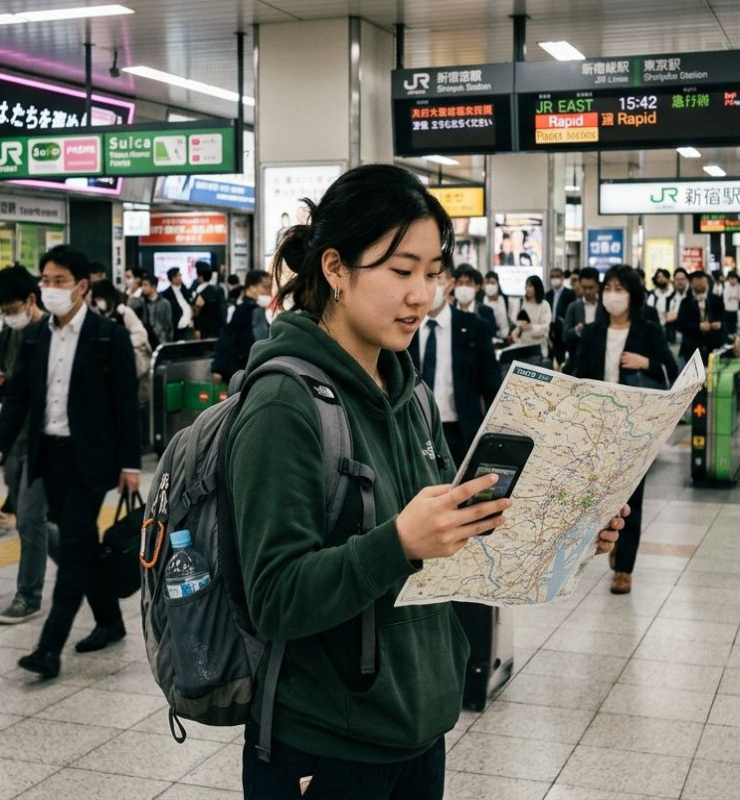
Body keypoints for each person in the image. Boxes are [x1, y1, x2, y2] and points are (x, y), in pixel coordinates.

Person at [226, 164, 625, 797]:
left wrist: (568, 531)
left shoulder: (406, 392)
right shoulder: (284, 405)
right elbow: (274, 596)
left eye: (433, 271)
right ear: (334, 269)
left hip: (420, 724)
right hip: (324, 743)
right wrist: (399, 542)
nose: (423, 293)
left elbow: (456, 537)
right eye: (400, 270)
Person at [0, 245, 141, 679]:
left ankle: (48, 649)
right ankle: (109, 620)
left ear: (82, 287)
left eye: (59, 281)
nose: (49, 289)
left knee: (72, 548)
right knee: (82, 545)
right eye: (45, 281)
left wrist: (131, 463)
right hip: (47, 455)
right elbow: (17, 399)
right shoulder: (35, 337)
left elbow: (126, 405)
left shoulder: (108, 336)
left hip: (89, 459)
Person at [564, 264, 677, 595]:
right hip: (597, 426)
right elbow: (577, 371)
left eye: (620, 289)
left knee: (632, 497)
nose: (613, 295)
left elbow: (671, 371)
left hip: (633, 428)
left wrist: (646, 363)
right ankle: (607, 543)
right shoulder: (594, 332)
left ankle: (625, 568)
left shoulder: (648, 330)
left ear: (634, 295)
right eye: (608, 288)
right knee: (597, 495)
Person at [0, 266, 55, 625]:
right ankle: (81, 565)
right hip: (15, 440)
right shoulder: (7, 338)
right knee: (38, 520)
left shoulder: (49, 334)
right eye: (2, 310)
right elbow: (5, 398)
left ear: (30, 300)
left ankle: (28, 595)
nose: (8, 316)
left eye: (11, 308)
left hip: (46, 442)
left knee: (28, 518)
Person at [407, 263, 502, 464]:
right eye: (424, 278)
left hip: (460, 430)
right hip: (414, 430)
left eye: (435, 277)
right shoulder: (405, 328)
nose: (428, 287)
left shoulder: (475, 328)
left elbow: (491, 386)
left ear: (450, 284)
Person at [89, 279, 153, 408]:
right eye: (96, 298)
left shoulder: (124, 312)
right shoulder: (95, 315)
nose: (98, 302)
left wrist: (120, 344)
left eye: (101, 297)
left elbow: (141, 335)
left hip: (131, 369)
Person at [212, 269, 273, 383]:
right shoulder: (242, 311)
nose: (269, 292)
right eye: (265, 287)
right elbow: (228, 339)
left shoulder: (261, 310)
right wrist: (218, 368)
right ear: (251, 288)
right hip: (243, 370)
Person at [676, 271, 727, 364]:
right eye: (696, 281)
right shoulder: (686, 302)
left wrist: (719, 324)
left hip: (713, 346)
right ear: (691, 284)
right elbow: (680, 324)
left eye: (702, 281)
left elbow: (724, 319)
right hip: (692, 348)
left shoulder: (715, 299)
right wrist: (698, 326)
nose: (700, 284)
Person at [450, 265, 499, 342]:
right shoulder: (448, 312)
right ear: (454, 286)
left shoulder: (486, 312)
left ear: (477, 287)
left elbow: (491, 341)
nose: (464, 287)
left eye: (468, 283)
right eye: (460, 283)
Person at [562, 266, 602, 356]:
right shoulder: (573, 307)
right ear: (580, 285)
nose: (587, 292)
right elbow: (565, 335)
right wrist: (577, 330)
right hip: (578, 356)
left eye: (591, 288)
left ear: (598, 287)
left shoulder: (604, 307)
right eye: (584, 287)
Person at [511, 275, 552, 360]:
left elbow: (545, 327)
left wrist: (531, 326)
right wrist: (520, 325)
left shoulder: (544, 305)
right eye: (526, 286)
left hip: (538, 347)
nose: (528, 289)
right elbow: (514, 320)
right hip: (522, 345)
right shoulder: (520, 302)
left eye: (530, 286)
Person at [136, 273, 173, 348]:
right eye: (142, 285)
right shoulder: (140, 303)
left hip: (161, 341)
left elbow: (168, 325)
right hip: (145, 342)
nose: (143, 288)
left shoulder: (164, 303)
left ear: (153, 287)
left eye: (145, 285)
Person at [191, 262, 226, 340]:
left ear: (200, 276)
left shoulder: (200, 292)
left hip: (204, 332)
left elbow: (197, 314)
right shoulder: (219, 290)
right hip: (218, 331)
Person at [648, 268, 681, 345]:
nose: (661, 279)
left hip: (671, 331)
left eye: (663, 277)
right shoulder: (653, 295)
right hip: (655, 330)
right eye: (658, 277)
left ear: (668, 279)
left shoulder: (675, 295)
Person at [163, 267, 196, 341]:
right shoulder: (167, 294)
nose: (180, 277)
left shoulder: (185, 290)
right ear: (173, 278)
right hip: (177, 328)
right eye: (178, 275)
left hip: (190, 326)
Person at [480, 270, 515, 341]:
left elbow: (512, 319)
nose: (490, 285)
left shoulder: (506, 300)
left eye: (492, 283)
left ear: (498, 284)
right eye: (487, 283)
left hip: (505, 338)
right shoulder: (481, 301)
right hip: (487, 339)